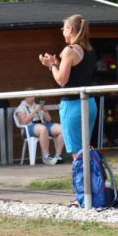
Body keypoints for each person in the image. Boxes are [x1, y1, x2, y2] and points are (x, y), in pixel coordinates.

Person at [39, 14, 97, 156]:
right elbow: (77, 74)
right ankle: (91, 178)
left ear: (70, 29)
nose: (62, 31)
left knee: (77, 153)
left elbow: (62, 80)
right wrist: (58, 64)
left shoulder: (69, 50)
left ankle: (83, 178)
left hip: (73, 106)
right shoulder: (89, 49)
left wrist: (52, 65)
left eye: (63, 28)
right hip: (89, 103)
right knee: (85, 149)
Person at [15, 93, 65, 165]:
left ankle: (58, 155)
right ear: (25, 97)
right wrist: (35, 111)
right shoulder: (21, 107)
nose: (33, 98)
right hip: (28, 128)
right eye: (30, 96)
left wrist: (45, 111)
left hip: (42, 124)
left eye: (34, 96)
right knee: (43, 129)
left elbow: (49, 120)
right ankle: (46, 156)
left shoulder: (38, 105)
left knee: (61, 128)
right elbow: (24, 122)